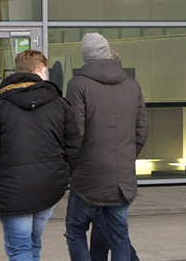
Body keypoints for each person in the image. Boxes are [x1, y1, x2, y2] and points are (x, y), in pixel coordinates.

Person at [0, 51, 79, 261]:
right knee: (33, 245)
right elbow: (74, 147)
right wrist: (63, 175)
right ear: (37, 72)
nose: (47, 76)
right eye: (45, 71)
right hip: (49, 186)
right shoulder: (60, 104)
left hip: (12, 189)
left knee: (20, 250)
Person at [64, 35, 148, 261]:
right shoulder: (132, 85)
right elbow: (141, 132)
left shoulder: (77, 84)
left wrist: (70, 168)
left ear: (85, 57)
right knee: (119, 236)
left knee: (75, 230)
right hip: (122, 181)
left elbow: (75, 134)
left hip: (87, 179)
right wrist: (125, 159)